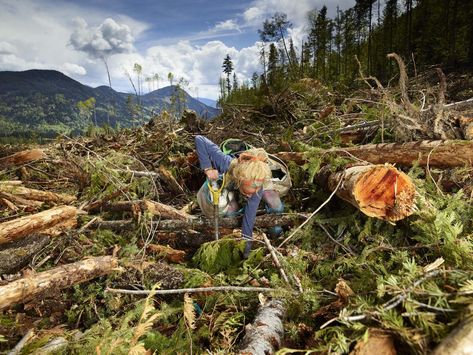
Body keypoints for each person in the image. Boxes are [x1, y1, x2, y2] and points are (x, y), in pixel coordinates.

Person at [195, 135, 284, 258]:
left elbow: (249, 219)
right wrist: (208, 168)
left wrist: (246, 252)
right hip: (229, 182)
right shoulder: (225, 163)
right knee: (231, 210)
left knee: (276, 205)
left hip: (253, 180)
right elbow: (200, 139)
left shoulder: (257, 187)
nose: (250, 195)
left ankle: (278, 236)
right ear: (240, 181)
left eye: (253, 193)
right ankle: (228, 239)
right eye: (247, 192)